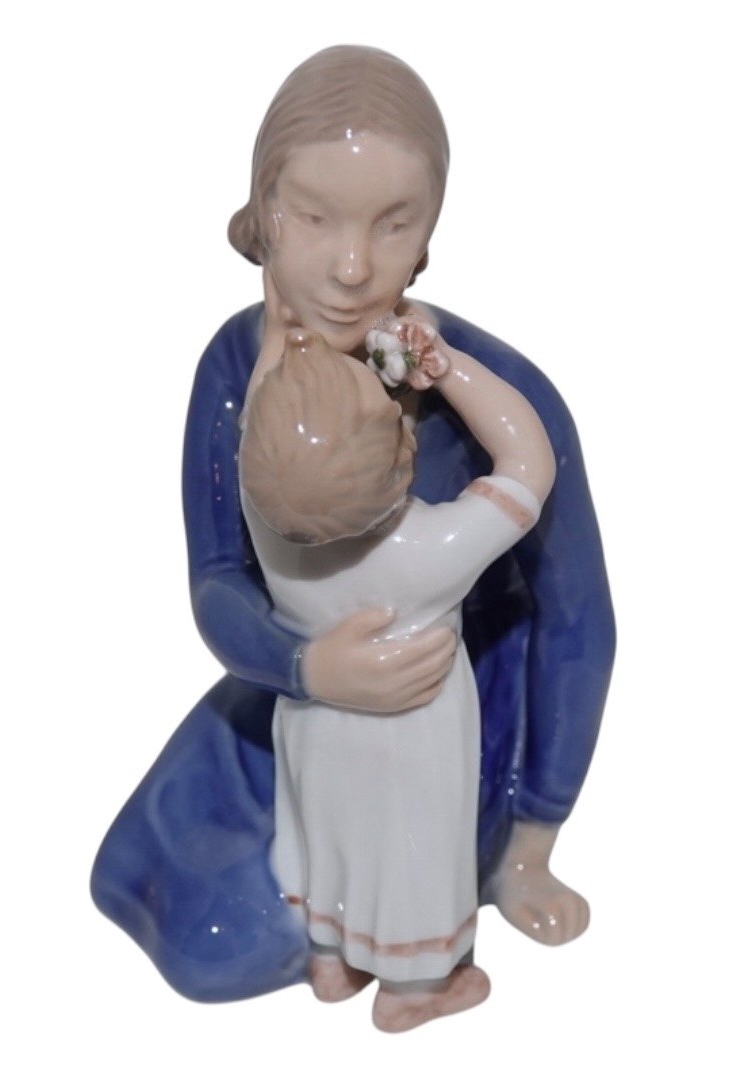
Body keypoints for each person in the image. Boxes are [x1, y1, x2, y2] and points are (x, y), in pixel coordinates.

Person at [91, 45, 616, 1005]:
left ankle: (387, 953)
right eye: (312, 215)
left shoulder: (498, 391)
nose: (350, 265)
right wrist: (307, 669)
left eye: (393, 222)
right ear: (263, 213)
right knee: (190, 922)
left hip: (451, 725)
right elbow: (218, 579)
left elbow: (577, 621)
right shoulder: (234, 371)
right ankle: (352, 943)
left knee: (265, 930)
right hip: (290, 705)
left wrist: (531, 839)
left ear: (431, 233)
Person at [240, 321, 554, 1031]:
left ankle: (331, 958)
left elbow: (265, 413)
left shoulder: (268, 523)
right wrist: (449, 370)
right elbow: (529, 461)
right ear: (402, 455)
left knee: (330, 834)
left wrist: (282, 337)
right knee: (412, 852)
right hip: (414, 733)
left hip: (316, 724)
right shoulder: (429, 551)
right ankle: (415, 988)